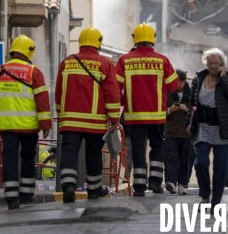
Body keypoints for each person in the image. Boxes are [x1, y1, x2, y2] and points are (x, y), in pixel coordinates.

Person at [55, 26, 121, 203]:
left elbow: (59, 91)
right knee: (94, 155)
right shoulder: (105, 64)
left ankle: (68, 187)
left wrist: (60, 114)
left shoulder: (67, 62)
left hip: (70, 121)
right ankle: (94, 190)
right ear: (98, 43)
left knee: (69, 152)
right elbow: (112, 94)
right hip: (94, 122)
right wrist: (114, 118)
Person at [0, 35, 51, 210]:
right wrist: (45, 125)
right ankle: (27, 194)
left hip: (7, 124)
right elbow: (42, 100)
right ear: (29, 52)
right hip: (28, 125)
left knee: (9, 158)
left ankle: (11, 197)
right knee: (28, 157)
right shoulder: (34, 72)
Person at [116, 23, 179, 196]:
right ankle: (156, 183)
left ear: (134, 39)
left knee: (138, 150)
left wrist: (124, 100)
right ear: (153, 39)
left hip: (134, 115)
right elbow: (173, 85)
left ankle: (139, 187)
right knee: (157, 146)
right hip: (157, 116)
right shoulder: (162, 60)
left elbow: (115, 87)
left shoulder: (124, 60)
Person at [187, 48, 228, 207]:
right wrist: (188, 123)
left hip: (223, 130)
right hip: (203, 127)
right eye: (210, 63)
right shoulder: (198, 79)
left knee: (221, 169)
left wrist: (223, 78)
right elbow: (192, 104)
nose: (212, 66)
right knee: (200, 162)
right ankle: (205, 194)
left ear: (222, 64)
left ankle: (216, 202)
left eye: (216, 63)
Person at [165, 69, 191, 195]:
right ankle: (171, 182)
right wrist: (169, 110)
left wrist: (188, 110)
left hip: (187, 134)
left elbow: (197, 114)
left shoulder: (191, 95)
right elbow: (160, 111)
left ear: (185, 82)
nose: (179, 85)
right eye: (177, 82)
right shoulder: (167, 93)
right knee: (172, 157)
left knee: (184, 159)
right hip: (171, 132)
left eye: (181, 83)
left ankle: (183, 184)